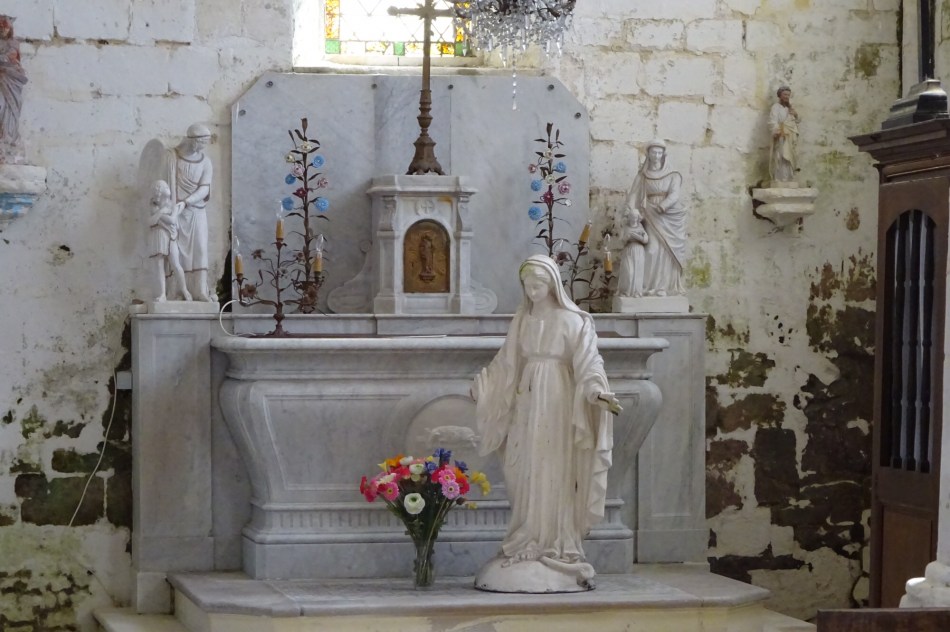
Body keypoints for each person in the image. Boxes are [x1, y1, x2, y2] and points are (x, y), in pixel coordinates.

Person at [472, 254, 621, 592]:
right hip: (526, 400)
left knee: (554, 468)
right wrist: (486, 387)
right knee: (524, 467)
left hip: (558, 400)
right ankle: (526, 537)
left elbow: (589, 362)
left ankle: (556, 542)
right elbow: (506, 362)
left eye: (538, 285)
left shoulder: (574, 320)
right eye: (528, 286)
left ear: (553, 285)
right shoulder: (523, 319)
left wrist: (596, 392)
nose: (533, 292)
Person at [624, 140, 687, 297]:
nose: (657, 156)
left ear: (664, 155)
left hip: (667, 214)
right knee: (651, 249)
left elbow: (675, 194)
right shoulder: (643, 175)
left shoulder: (673, 175)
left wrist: (664, 205)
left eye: (659, 153)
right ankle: (648, 287)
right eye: (654, 152)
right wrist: (630, 209)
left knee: (666, 251)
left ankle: (663, 288)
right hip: (650, 214)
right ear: (649, 154)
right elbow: (633, 194)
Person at [169, 123, 215, 301]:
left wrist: (186, 202)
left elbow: (204, 188)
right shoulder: (172, 157)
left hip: (196, 210)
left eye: (205, 143)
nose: (203, 146)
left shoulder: (205, 162)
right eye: (201, 142)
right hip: (176, 212)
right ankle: (178, 290)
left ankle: (200, 290)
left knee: (201, 248)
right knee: (177, 253)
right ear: (191, 140)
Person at [147, 180, 191, 302]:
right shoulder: (154, 205)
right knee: (159, 264)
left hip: (171, 237)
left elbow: (172, 221)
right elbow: (150, 221)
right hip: (159, 235)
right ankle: (162, 294)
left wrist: (159, 216)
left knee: (176, 264)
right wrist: (161, 213)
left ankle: (184, 290)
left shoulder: (172, 206)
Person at [0, 15, 27, 158]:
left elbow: (11, 58)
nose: (3, 30)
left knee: (9, 109)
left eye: (5, 28)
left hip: (11, 80)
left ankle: (8, 138)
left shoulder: (14, 43)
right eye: (0, 28)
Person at [769, 86, 799, 184]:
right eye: (785, 94)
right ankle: (780, 178)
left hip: (790, 136)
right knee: (781, 155)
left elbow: (795, 122)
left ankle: (789, 178)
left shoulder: (790, 108)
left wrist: (796, 115)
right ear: (780, 95)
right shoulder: (775, 107)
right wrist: (777, 131)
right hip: (781, 135)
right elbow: (772, 121)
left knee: (790, 156)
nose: (787, 97)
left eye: (788, 95)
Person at [616, 208, 649, 298]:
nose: (634, 219)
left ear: (638, 218)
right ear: (629, 217)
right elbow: (620, 242)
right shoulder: (625, 227)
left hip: (639, 250)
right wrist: (626, 238)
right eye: (632, 217)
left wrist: (638, 237)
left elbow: (646, 240)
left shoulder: (640, 227)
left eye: (635, 217)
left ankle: (637, 292)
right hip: (628, 250)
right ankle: (625, 291)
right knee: (628, 272)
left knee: (638, 272)